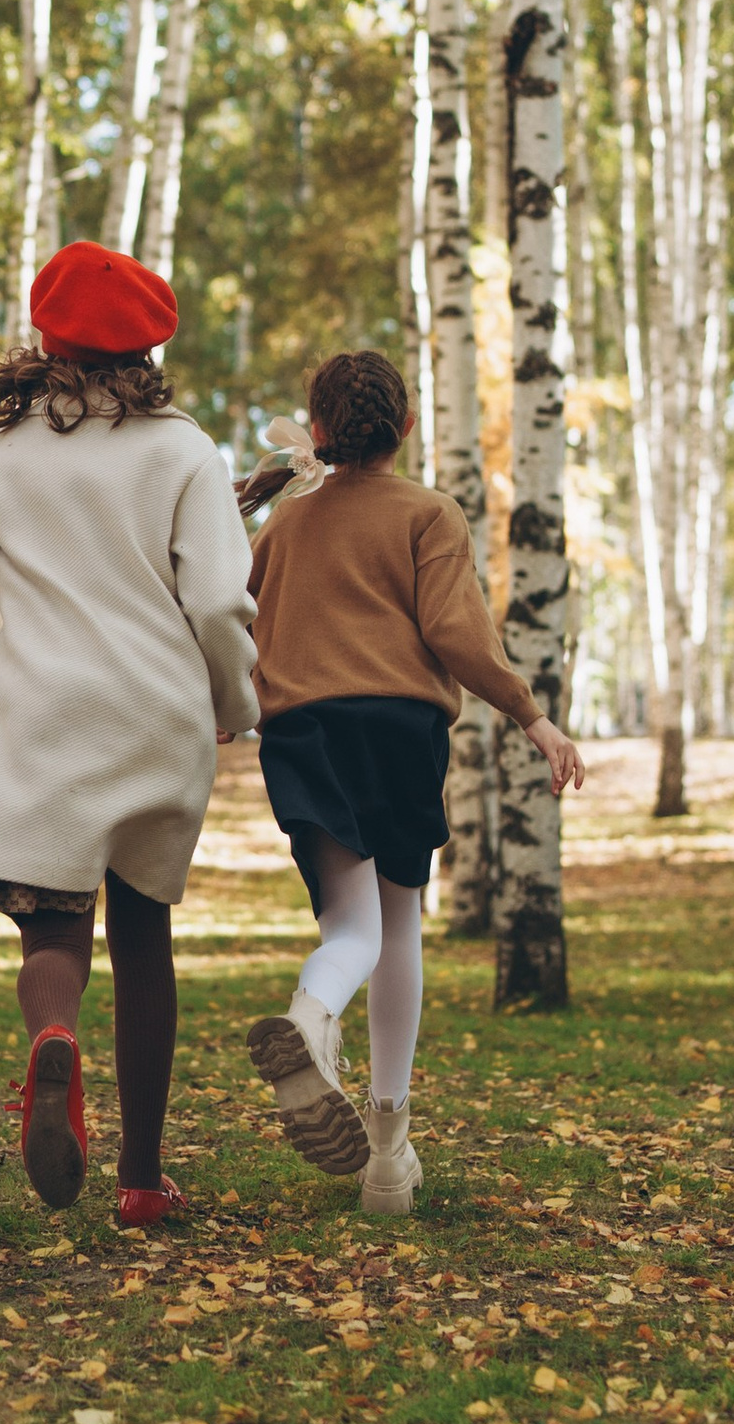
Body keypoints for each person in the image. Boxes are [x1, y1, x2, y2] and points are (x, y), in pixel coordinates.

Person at [0, 240, 259, 1231]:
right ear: (151, 345)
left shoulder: (7, 455)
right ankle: (144, 1181)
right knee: (144, 933)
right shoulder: (186, 451)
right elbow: (212, 603)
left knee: (54, 929)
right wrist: (234, 702)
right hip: (156, 717)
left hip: (45, 718)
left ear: (46, 338)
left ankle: (53, 1038)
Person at [242, 349, 582, 1213]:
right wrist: (529, 713)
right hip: (399, 732)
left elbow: (237, 627)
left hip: (305, 733)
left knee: (349, 926)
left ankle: (316, 1013)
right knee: (400, 927)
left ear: (317, 432)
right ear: (405, 429)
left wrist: (227, 706)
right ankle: (387, 1155)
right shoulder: (430, 513)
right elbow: (456, 633)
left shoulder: (282, 525)